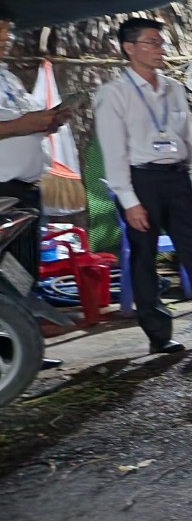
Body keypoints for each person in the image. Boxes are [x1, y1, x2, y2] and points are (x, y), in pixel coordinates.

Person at [95, 18, 192, 353]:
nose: (159, 49)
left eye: (161, 43)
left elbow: (188, 138)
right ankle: (159, 336)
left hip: (177, 178)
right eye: (151, 42)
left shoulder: (173, 88)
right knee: (144, 257)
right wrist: (129, 200)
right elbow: (113, 151)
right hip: (141, 180)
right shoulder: (113, 94)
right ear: (129, 48)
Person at [0, 22, 73, 369]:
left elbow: (26, 122)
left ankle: (21, 347)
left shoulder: (9, 77)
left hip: (26, 189)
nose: (4, 40)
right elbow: (15, 125)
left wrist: (49, 122)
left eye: (7, 34)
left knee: (22, 270)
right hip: (0, 192)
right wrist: (23, 125)